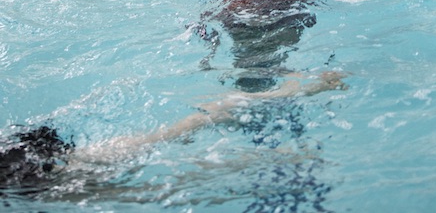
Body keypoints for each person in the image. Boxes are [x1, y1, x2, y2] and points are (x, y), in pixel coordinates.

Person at [0, 72, 345, 188]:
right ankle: (291, 93)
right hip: (17, 153)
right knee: (172, 134)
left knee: (167, 186)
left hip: (28, 179)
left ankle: (271, 163)